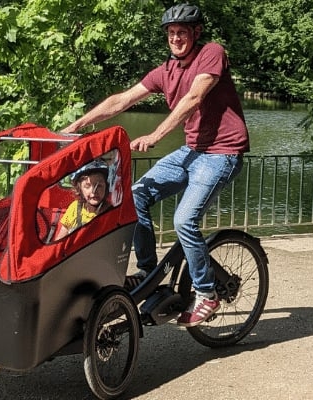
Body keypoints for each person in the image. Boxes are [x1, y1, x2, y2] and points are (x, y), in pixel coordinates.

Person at [62, 3, 249, 327]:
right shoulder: (165, 71)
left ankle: (207, 293)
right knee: (135, 196)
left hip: (222, 153)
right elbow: (122, 99)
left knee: (184, 220)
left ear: (196, 33)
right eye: (171, 33)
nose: (176, 38)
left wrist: (157, 134)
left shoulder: (212, 53)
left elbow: (194, 98)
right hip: (193, 150)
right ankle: (149, 271)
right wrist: (76, 125)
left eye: (182, 32)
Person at [53, 160, 111, 241]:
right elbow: (60, 238)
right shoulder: (75, 208)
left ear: (106, 186)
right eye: (87, 186)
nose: (94, 191)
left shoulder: (111, 212)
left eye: (99, 186)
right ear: (79, 189)